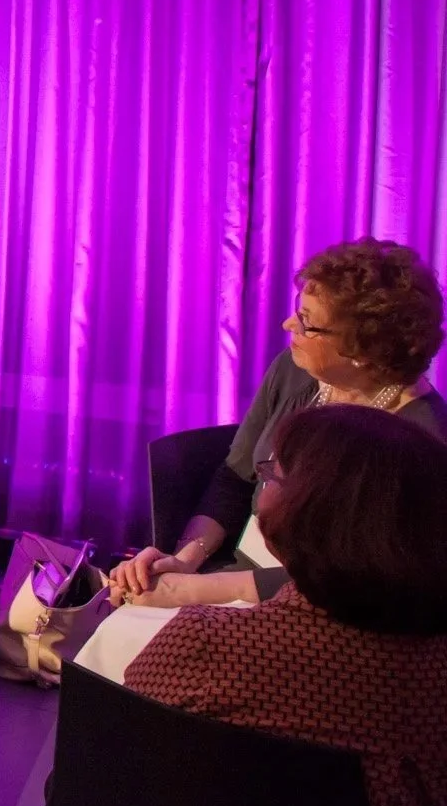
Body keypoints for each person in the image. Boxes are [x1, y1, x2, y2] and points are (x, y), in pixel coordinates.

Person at [123, 404, 447, 806]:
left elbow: (110, 780)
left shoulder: (205, 647)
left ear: (310, 512)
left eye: (274, 473)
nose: (262, 482)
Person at [108, 239, 444, 610]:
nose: (289, 324)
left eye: (308, 323)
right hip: (235, 576)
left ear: (364, 351)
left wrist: (188, 591)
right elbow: (236, 479)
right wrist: (186, 560)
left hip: (327, 611)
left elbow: (357, 578)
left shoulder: (423, 441)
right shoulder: (293, 370)